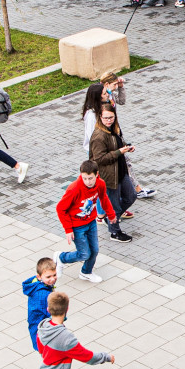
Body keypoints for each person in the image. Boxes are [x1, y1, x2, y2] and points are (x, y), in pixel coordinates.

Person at [54, 160, 117, 285]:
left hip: (91, 222)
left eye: (91, 178)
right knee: (84, 254)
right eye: (85, 178)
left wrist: (111, 214)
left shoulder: (100, 184)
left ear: (97, 174)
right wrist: (68, 230)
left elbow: (104, 198)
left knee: (94, 250)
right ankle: (61, 258)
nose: (88, 182)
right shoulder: (74, 189)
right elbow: (60, 208)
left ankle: (86, 272)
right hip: (77, 226)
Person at [88, 108, 137, 243]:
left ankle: (110, 218)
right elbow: (98, 159)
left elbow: (118, 143)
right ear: (100, 118)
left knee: (131, 196)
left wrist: (127, 147)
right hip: (109, 177)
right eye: (106, 118)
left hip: (121, 172)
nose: (109, 120)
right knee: (114, 206)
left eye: (111, 117)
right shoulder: (99, 136)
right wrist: (118, 152)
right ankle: (114, 232)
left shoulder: (113, 129)